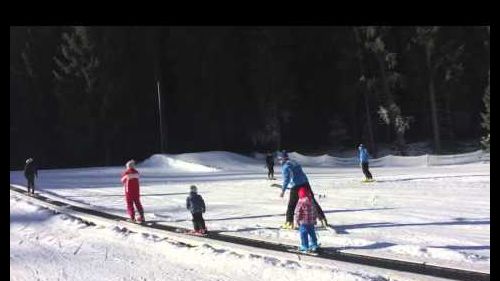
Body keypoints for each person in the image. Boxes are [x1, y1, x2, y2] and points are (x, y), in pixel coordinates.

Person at [278, 150, 328, 229]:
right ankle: (323, 219)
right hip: (305, 183)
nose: (279, 161)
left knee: (292, 204)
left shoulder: (285, 167)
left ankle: (289, 222)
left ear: (283, 159)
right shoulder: (294, 162)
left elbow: (286, 179)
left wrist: (283, 191)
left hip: (296, 186)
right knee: (312, 201)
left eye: (280, 159)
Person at [294, 186, 319, 252]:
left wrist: (297, 220)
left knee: (303, 233)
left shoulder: (300, 202)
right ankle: (314, 244)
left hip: (303, 222)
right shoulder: (311, 201)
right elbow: (315, 210)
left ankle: (305, 246)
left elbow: (298, 212)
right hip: (311, 221)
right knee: (312, 233)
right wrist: (315, 219)